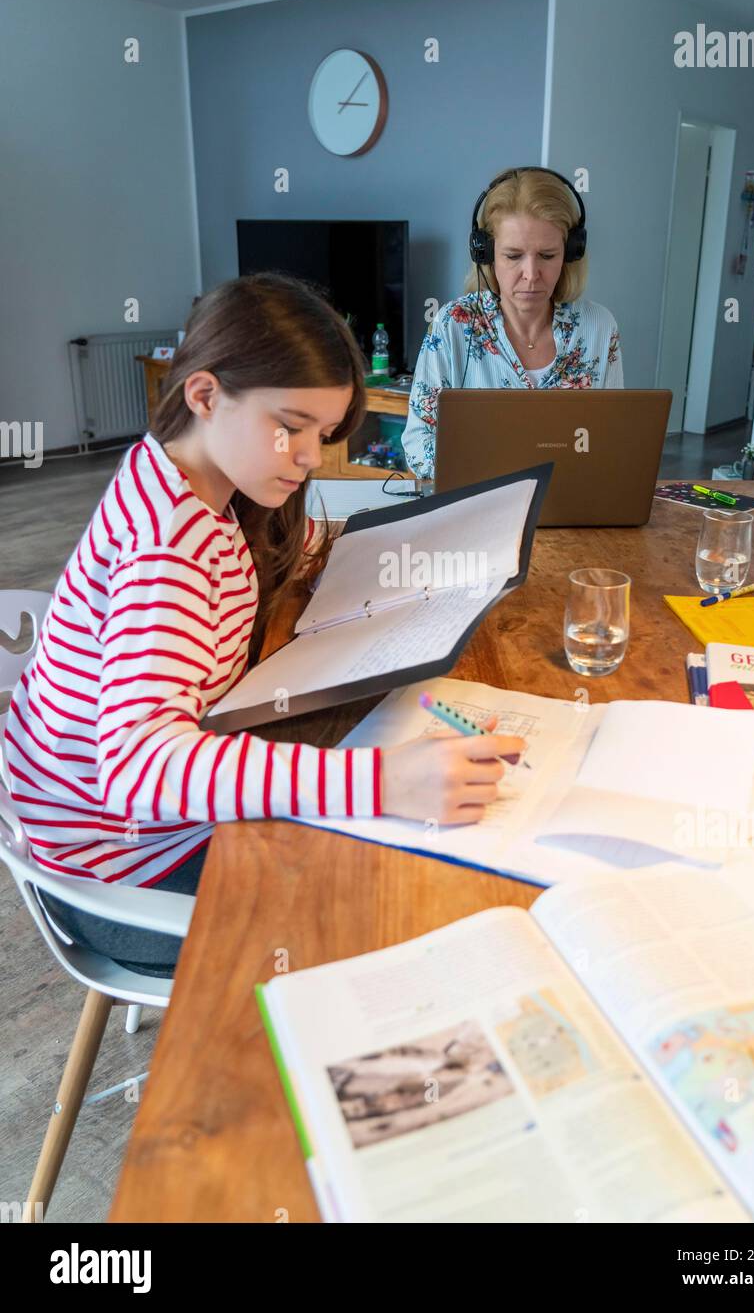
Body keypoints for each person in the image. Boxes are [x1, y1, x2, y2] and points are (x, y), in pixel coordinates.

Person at [4, 273, 525, 975]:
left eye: (323, 432)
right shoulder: (167, 548)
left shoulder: (191, 478)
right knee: (398, 891)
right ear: (205, 395)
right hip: (121, 880)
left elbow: (294, 543)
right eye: (290, 427)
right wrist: (383, 783)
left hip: (108, 838)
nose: (311, 456)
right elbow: (138, 766)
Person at [402, 166, 623, 479]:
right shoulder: (452, 325)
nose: (531, 274)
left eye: (547, 255)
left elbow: (610, 439)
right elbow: (416, 444)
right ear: (486, 254)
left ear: (571, 253)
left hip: (573, 505)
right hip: (478, 507)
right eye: (513, 255)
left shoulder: (599, 326)